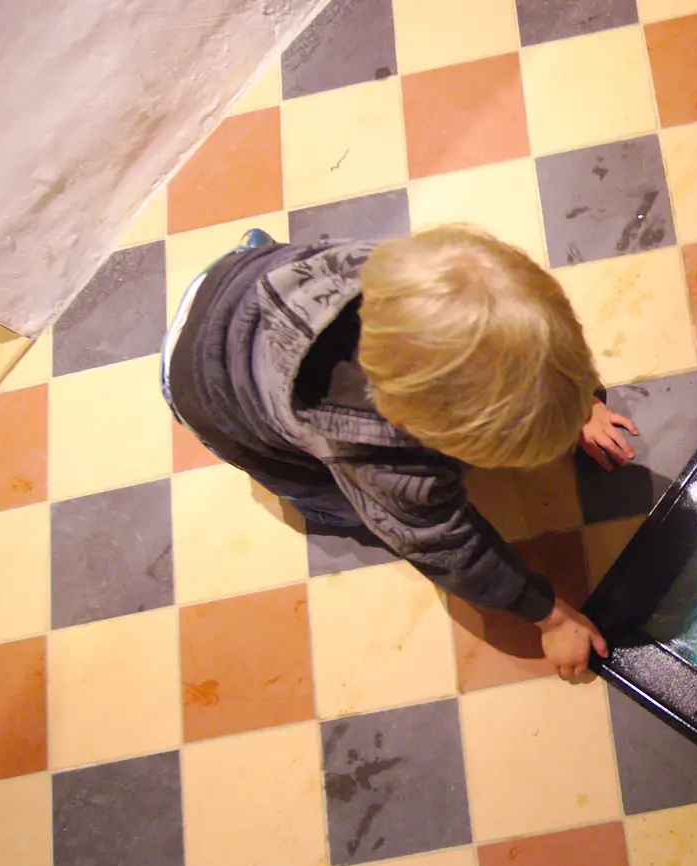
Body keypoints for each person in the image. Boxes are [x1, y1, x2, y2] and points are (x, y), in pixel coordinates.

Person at [161, 224, 637, 679]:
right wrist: (549, 617)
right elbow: (447, 546)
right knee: (340, 504)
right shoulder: (377, 456)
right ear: (426, 434)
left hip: (247, 280)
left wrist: (577, 399)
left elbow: (529, 349)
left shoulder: (421, 280)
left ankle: (232, 267)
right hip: (202, 390)